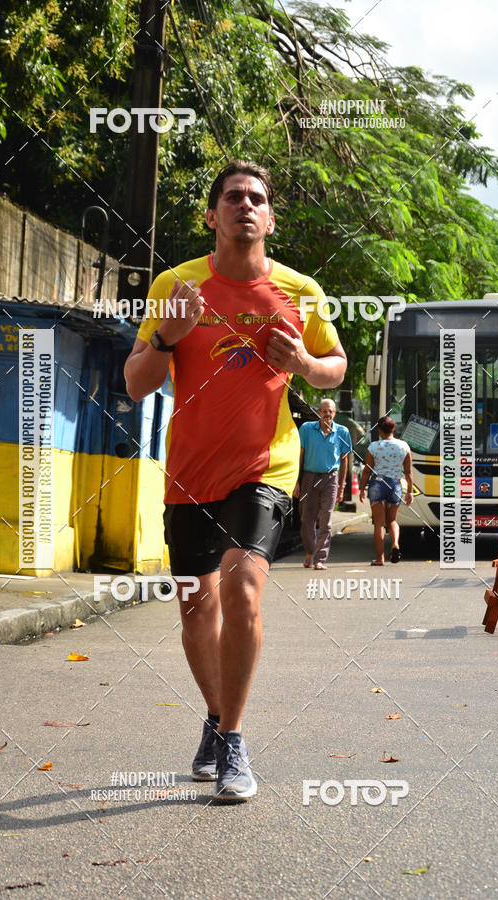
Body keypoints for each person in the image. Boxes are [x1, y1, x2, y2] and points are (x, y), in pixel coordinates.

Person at [124, 160, 346, 802]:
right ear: (212, 214)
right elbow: (136, 384)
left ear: (270, 218)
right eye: (232, 197)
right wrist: (169, 333)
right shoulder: (176, 283)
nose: (245, 206)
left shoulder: (301, 292)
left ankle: (235, 741)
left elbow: (335, 367)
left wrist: (303, 361)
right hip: (191, 474)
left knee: (245, 587)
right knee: (197, 607)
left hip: (265, 467)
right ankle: (217, 721)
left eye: (257, 199)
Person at [295, 399, 352, 569]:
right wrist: (296, 482)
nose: (328, 414)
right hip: (309, 477)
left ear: (334, 413)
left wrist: (342, 487)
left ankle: (320, 559)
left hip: (330, 478)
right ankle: (310, 553)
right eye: (325, 411)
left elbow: (344, 460)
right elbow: (300, 455)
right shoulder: (306, 429)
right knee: (306, 518)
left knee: (326, 521)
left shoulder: (342, 431)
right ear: (318, 412)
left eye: (331, 411)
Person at [359, 415, 413, 565]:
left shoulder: (374, 446)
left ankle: (380, 558)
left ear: (379, 431)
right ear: (393, 429)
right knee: (393, 521)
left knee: (379, 523)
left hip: (377, 484)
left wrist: (362, 489)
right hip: (395, 485)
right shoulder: (404, 446)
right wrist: (409, 491)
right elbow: (408, 472)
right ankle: (395, 544)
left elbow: (367, 471)